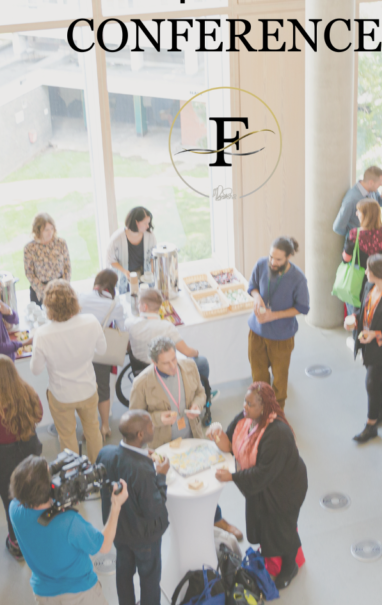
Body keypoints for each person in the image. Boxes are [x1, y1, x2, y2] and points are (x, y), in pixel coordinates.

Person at [129, 337, 242, 540]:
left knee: (204, 482)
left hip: (192, 436)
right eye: (166, 362)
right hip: (163, 446)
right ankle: (180, 527)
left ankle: (217, 519)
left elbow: (201, 392)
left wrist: (198, 405)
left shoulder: (188, 366)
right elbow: (134, 418)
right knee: (172, 488)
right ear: (154, 363)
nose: (173, 365)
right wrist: (156, 418)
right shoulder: (142, 383)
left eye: (174, 359)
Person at [210, 382, 308, 590]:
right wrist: (217, 435)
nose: (244, 407)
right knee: (266, 524)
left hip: (285, 488)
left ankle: (290, 566)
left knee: (283, 527)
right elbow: (229, 445)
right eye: (244, 401)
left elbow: (263, 473)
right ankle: (273, 554)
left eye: (250, 404)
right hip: (264, 486)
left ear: (264, 407)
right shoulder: (246, 418)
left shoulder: (277, 433)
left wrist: (232, 477)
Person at [10, 455, 129, 605]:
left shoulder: (15, 510)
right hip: (80, 595)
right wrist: (116, 505)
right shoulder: (69, 522)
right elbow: (104, 545)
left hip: (43, 594)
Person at [97, 411, 170, 605]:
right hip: (144, 538)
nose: (153, 428)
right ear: (140, 435)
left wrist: (143, 455)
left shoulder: (105, 453)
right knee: (149, 579)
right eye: (150, 427)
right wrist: (161, 476)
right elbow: (153, 510)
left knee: (123, 574)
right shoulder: (143, 471)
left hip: (119, 532)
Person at [0, 354, 43, 560]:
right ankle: (37, 533)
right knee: (33, 492)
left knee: (10, 500)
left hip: (1, 457)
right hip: (30, 447)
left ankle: (16, 542)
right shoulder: (29, 391)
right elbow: (38, 416)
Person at [31, 280, 107, 462]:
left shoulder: (42, 334)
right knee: (93, 432)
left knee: (67, 437)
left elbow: (36, 370)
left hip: (61, 394)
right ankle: (99, 470)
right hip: (87, 389)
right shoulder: (91, 321)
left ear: (48, 306)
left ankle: (75, 474)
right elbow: (102, 350)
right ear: (74, 300)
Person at [344, 254, 382, 443]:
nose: (366, 272)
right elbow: (363, 310)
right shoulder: (369, 287)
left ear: (378, 273)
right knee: (376, 379)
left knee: (371, 382)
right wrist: (355, 319)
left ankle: (371, 425)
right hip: (367, 345)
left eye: (369, 270)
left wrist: (375, 334)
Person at [247, 237, 310, 409]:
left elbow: (302, 308)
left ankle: (277, 412)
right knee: (258, 376)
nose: (273, 262)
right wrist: (256, 296)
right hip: (257, 332)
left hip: (282, 337)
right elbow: (252, 286)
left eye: (278, 259)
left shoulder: (298, 279)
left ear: (289, 257)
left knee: (280, 380)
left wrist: (273, 316)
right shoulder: (261, 264)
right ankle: (260, 410)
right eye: (271, 257)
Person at [126, 288, 212, 401]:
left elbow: (128, 346)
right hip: (164, 370)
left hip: (140, 369)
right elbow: (186, 352)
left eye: (139, 304)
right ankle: (200, 395)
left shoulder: (130, 323)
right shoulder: (166, 327)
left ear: (144, 307)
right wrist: (196, 352)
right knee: (202, 362)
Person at [79, 269, 126, 439]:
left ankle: (88, 428)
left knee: (85, 389)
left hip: (80, 351)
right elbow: (122, 329)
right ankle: (105, 426)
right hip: (101, 351)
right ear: (113, 286)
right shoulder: (114, 304)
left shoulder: (81, 297)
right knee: (103, 389)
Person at [340, 198, 382, 309]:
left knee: (357, 312)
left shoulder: (354, 234)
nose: (356, 214)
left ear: (365, 215)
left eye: (358, 211)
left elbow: (345, 259)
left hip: (358, 282)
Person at [24, 212, 72, 307]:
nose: (50, 232)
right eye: (46, 230)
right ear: (38, 231)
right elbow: (29, 273)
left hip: (61, 287)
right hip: (40, 290)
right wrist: (44, 290)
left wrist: (63, 286)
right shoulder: (30, 248)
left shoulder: (61, 243)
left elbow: (67, 266)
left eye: (52, 229)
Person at [107, 206, 158, 294]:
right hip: (126, 276)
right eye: (145, 223)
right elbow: (110, 260)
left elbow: (153, 256)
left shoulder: (150, 235)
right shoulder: (117, 238)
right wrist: (124, 271)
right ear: (136, 222)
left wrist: (152, 272)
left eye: (148, 223)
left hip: (145, 275)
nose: (148, 226)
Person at [332, 165, 382, 240]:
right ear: (371, 183)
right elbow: (338, 227)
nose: (381, 184)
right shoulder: (351, 199)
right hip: (357, 244)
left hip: (372, 241)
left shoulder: (372, 191)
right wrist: (353, 235)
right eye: (380, 182)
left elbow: (377, 205)